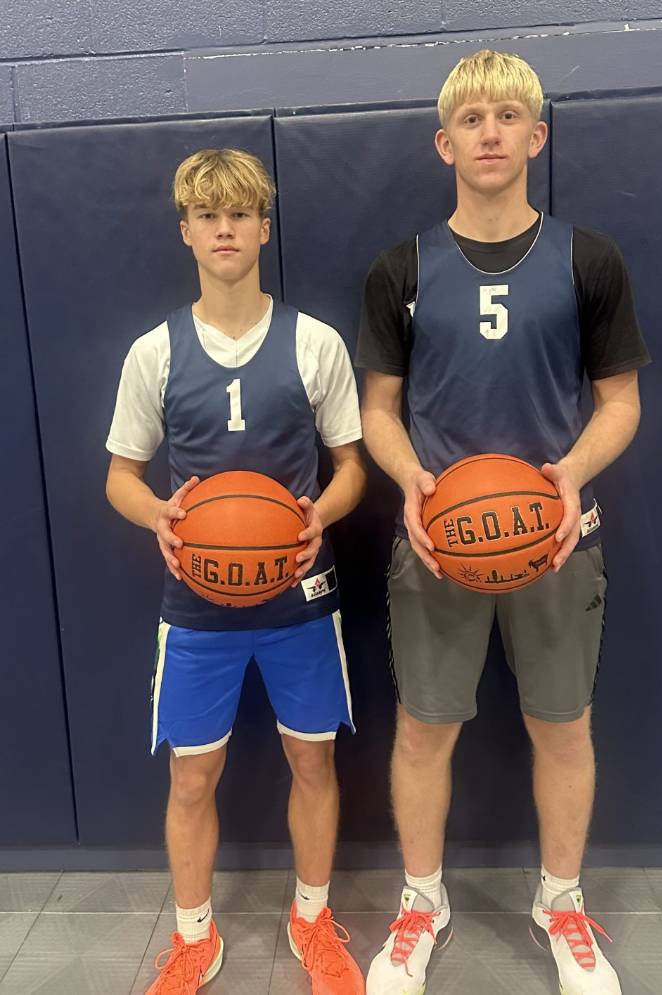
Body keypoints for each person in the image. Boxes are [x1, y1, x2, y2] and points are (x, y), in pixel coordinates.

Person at [356, 49, 650, 995]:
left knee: (563, 726)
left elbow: (621, 401)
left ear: (537, 135)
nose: (490, 132)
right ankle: (420, 901)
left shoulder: (589, 258)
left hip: (556, 536)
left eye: (507, 116)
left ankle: (559, 900)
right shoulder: (401, 267)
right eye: (472, 119)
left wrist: (569, 474)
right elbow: (378, 411)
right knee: (422, 729)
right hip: (439, 541)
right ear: (445, 143)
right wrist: (410, 481)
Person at [106, 148, 366, 995]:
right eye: (208, 216)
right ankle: (193, 938)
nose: (225, 228)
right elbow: (120, 475)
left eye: (240, 213)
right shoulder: (155, 353)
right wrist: (161, 517)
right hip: (197, 604)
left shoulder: (315, 341)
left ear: (264, 226)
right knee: (192, 772)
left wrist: (320, 513)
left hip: (298, 598)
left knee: (315, 762)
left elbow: (352, 465)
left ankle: (313, 920)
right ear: (185, 232)